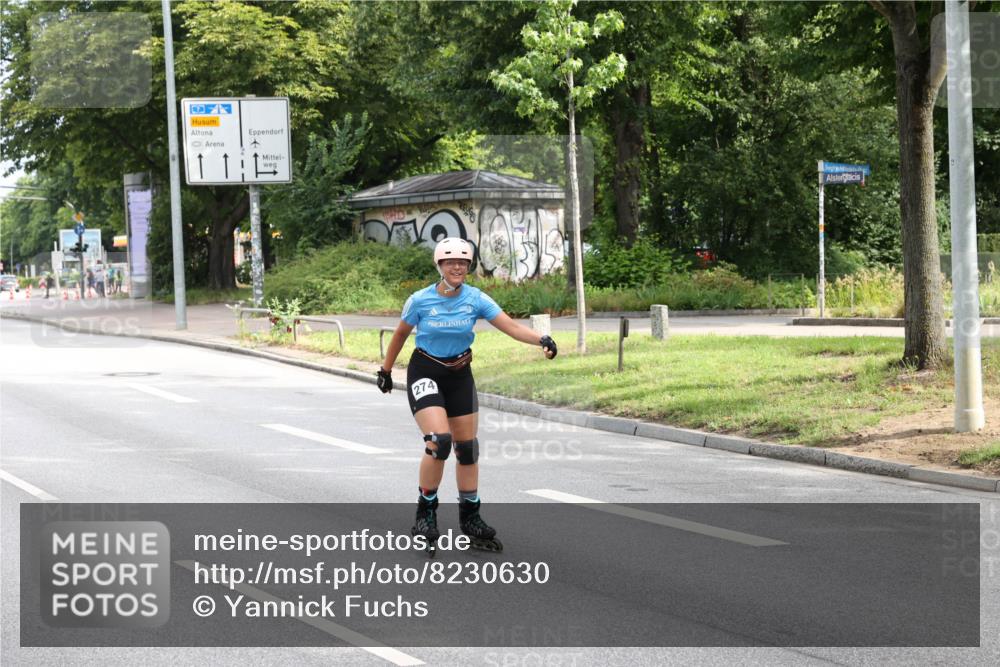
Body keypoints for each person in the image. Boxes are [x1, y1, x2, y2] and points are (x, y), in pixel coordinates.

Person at [378, 237, 558, 554]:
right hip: (426, 372)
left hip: (459, 375)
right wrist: (386, 370)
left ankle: (471, 517)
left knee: (467, 448)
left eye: (463, 262)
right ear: (439, 266)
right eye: (450, 262)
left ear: (469, 267)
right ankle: (426, 513)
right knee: (439, 441)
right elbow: (400, 336)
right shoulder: (420, 300)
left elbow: (510, 327)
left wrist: (541, 338)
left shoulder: (475, 298)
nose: (457, 267)